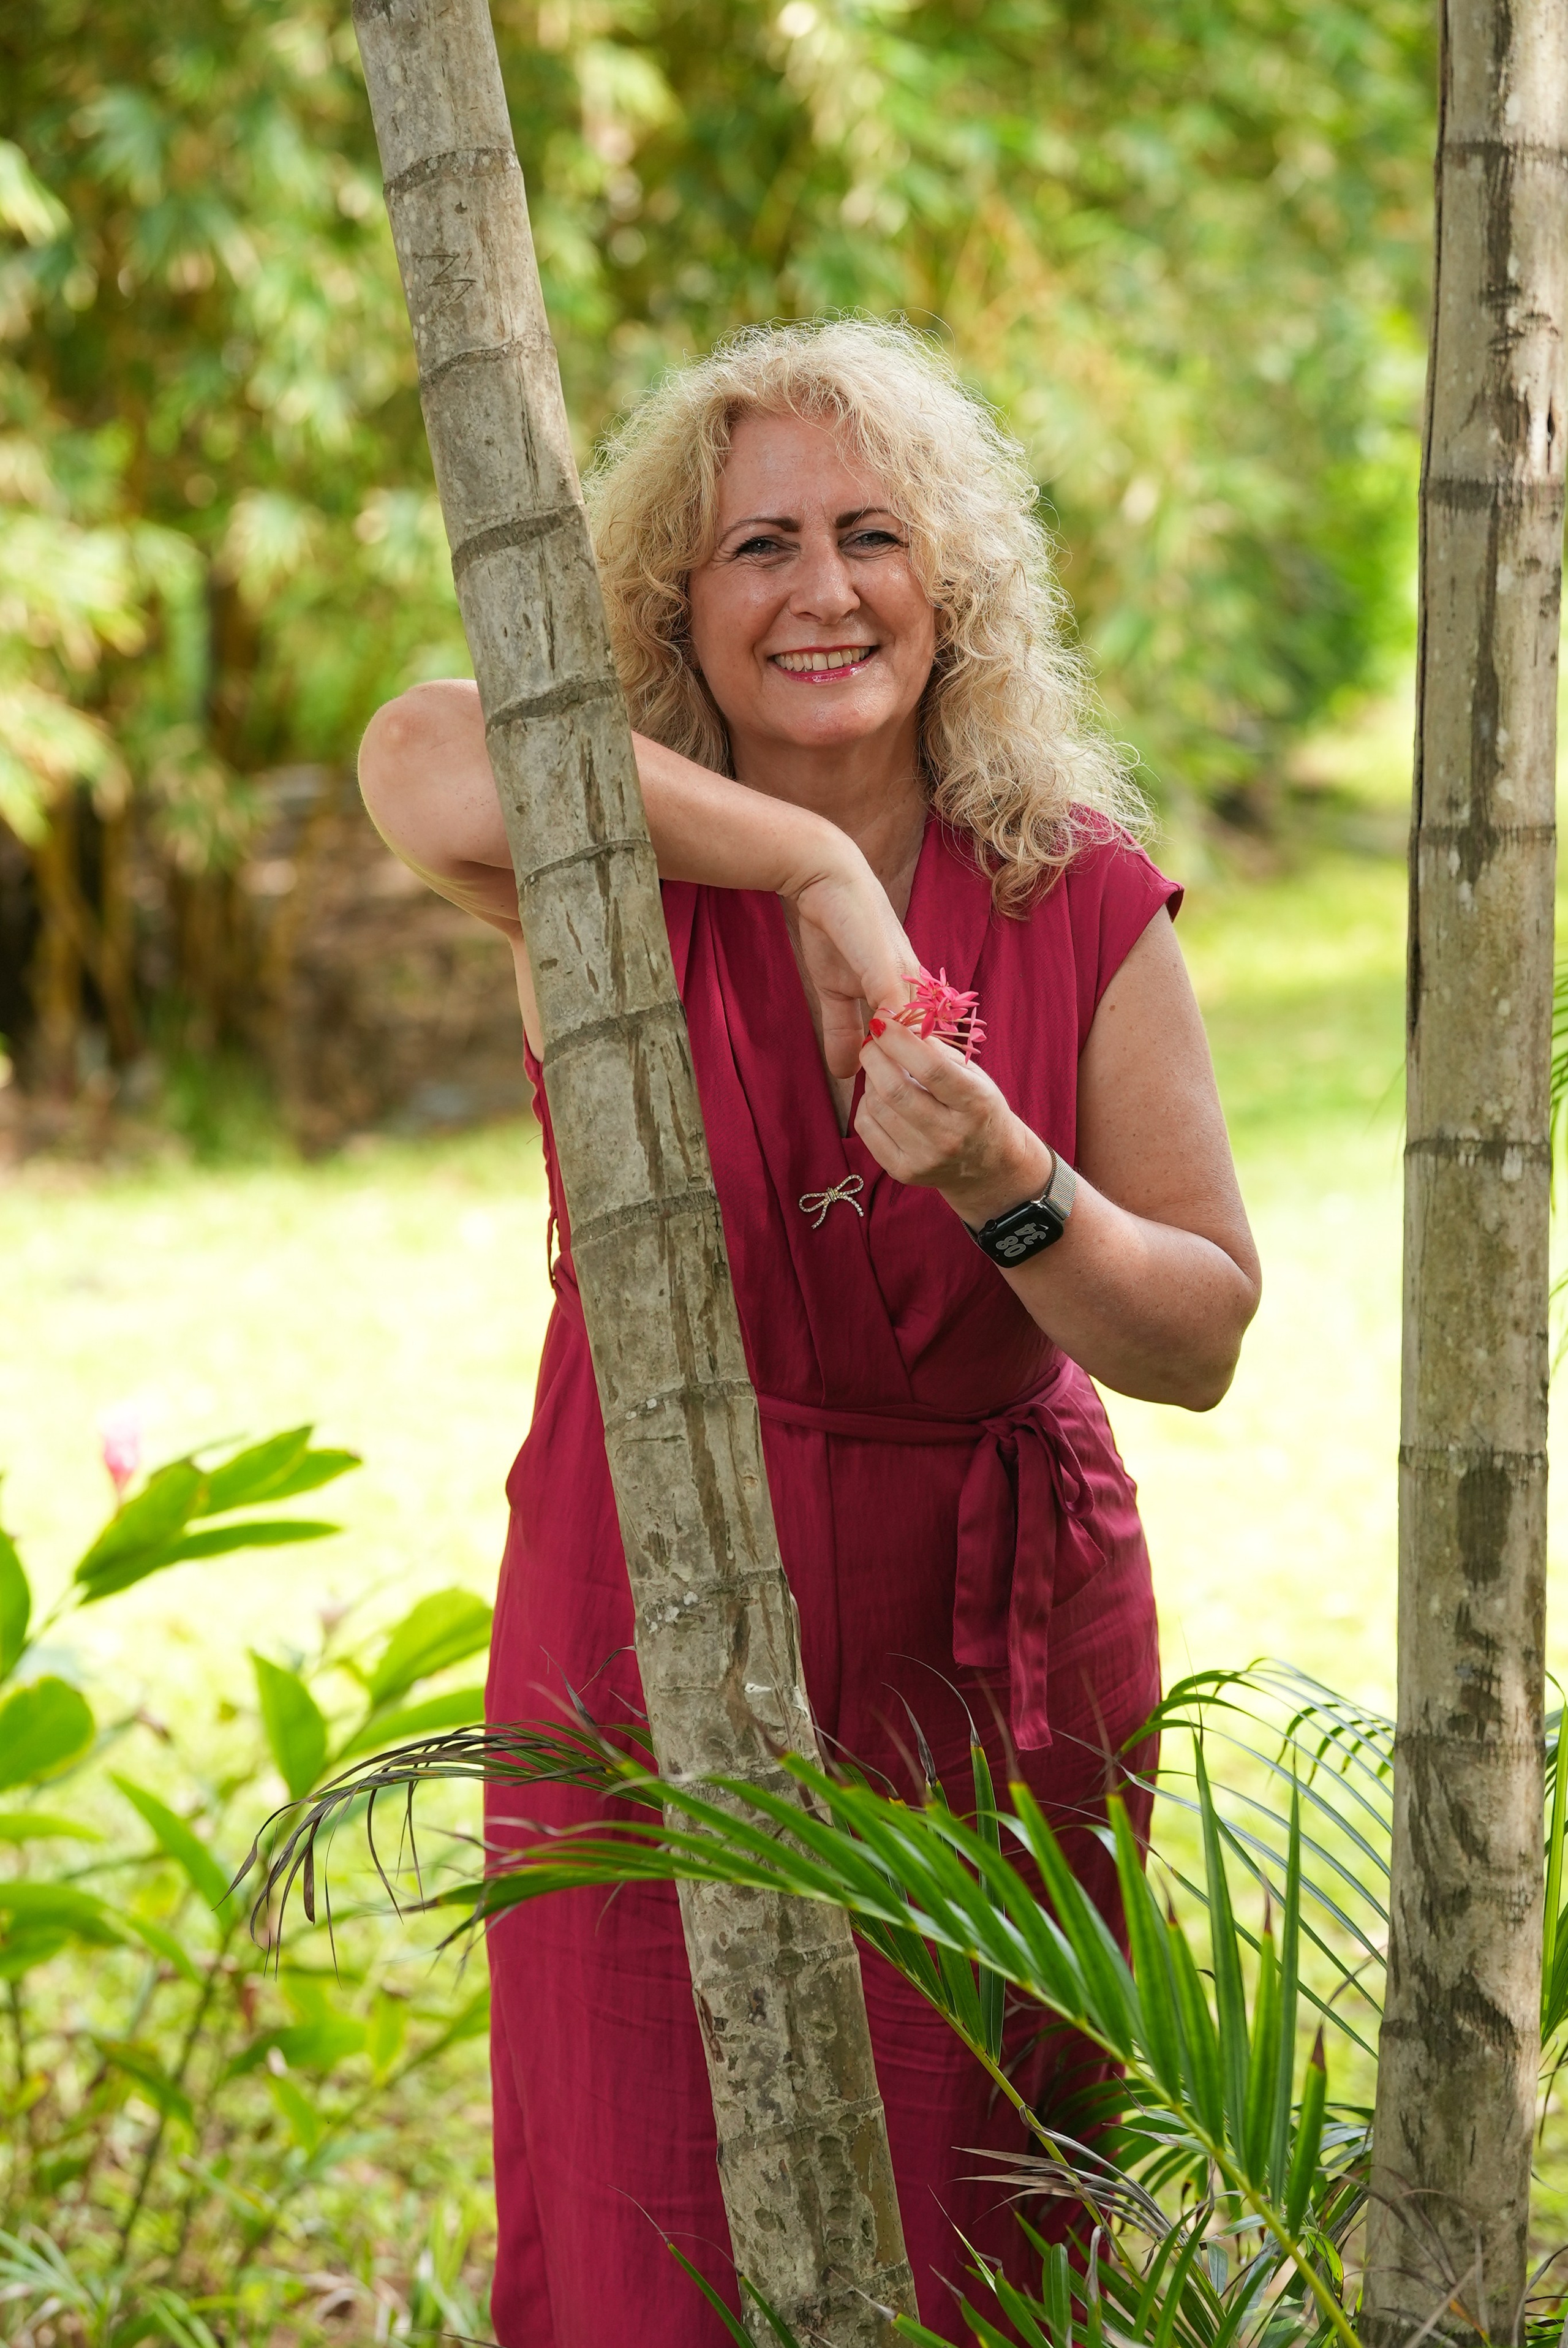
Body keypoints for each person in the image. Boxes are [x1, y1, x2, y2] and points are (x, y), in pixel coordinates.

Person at [359, 317, 1260, 2345]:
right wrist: (819, 868)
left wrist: (1006, 1177)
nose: (822, 587)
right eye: (758, 545)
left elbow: (1198, 1337)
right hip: (654, 1595)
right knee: (638, 2217)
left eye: (871, 533)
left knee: (981, 2234)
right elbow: (414, 740)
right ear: (681, 598)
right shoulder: (589, 862)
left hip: (991, 1630)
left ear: (955, 587)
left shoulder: (1078, 902)